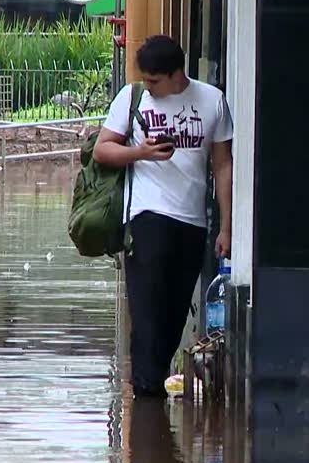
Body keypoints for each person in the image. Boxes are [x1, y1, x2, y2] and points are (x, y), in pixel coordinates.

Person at [94, 34, 234, 398]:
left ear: (176, 75)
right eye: (146, 80)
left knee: (173, 317)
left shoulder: (211, 101)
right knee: (147, 311)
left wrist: (227, 227)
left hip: (192, 223)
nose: (149, 87)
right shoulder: (132, 98)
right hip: (146, 215)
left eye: (155, 81)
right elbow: (103, 151)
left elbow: (222, 166)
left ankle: (150, 388)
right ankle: (146, 397)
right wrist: (140, 153)